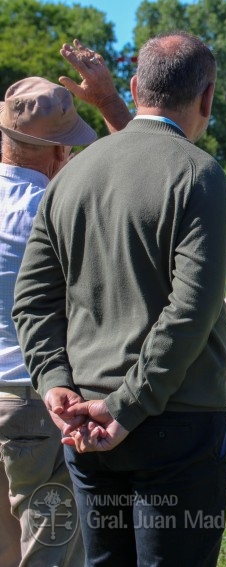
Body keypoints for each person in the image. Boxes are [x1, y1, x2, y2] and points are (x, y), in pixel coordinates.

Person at [13, 30, 226, 566]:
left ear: (136, 86)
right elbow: (190, 310)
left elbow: (33, 297)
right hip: (175, 420)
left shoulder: (70, 177)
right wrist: (128, 407)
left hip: (84, 424)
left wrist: (55, 386)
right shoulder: (199, 174)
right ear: (206, 97)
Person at [0, 41, 132, 567]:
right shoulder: (58, 207)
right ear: (61, 153)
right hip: (36, 397)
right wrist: (109, 103)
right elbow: (153, 163)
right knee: (50, 547)